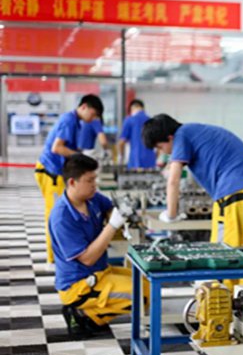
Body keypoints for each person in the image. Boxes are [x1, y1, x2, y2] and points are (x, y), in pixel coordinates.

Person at [49, 154, 147, 337]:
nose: (95, 185)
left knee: (147, 281)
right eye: (89, 180)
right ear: (72, 182)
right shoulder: (62, 218)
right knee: (142, 295)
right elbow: (87, 259)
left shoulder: (92, 198)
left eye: (95, 179)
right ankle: (83, 314)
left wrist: (120, 214)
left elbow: (110, 208)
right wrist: (112, 225)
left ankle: (91, 316)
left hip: (101, 271)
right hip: (79, 284)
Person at [141, 114, 243, 248]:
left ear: (170, 137)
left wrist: (170, 215)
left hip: (234, 193)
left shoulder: (181, 136)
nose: (163, 152)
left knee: (225, 253)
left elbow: (173, 181)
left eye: (160, 147)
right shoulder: (196, 131)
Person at [35, 94, 104, 264]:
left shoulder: (75, 122)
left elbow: (67, 147)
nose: (93, 119)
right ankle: (53, 260)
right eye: (93, 114)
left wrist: (80, 152)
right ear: (84, 107)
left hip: (55, 171)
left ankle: (61, 256)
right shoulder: (69, 120)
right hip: (50, 173)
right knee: (55, 214)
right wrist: (82, 156)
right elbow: (57, 148)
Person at [118, 99, 156, 169]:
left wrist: (121, 157)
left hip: (135, 161)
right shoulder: (152, 121)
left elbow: (121, 142)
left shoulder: (129, 120)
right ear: (143, 108)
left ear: (132, 109)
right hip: (151, 162)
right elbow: (158, 145)